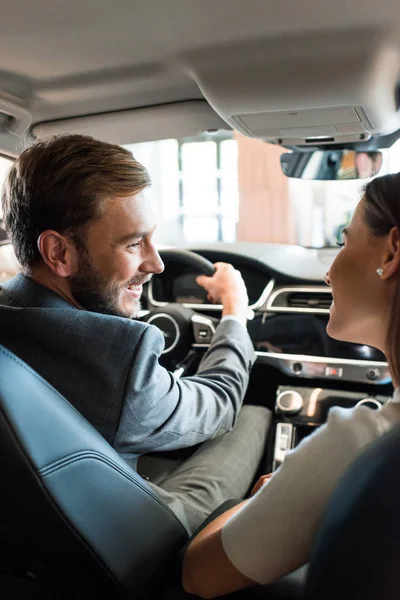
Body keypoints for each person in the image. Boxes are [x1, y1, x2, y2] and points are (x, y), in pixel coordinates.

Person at [0, 134, 270, 534]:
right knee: (253, 415)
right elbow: (219, 405)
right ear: (59, 253)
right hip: (128, 545)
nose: (157, 263)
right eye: (133, 243)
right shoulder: (120, 361)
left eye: (152, 237)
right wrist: (235, 312)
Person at [182, 171, 400, 598]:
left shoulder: (360, 446)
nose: (328, 273)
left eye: (344, 241)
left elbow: (197, 575)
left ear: (392, 252)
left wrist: (258, 502)